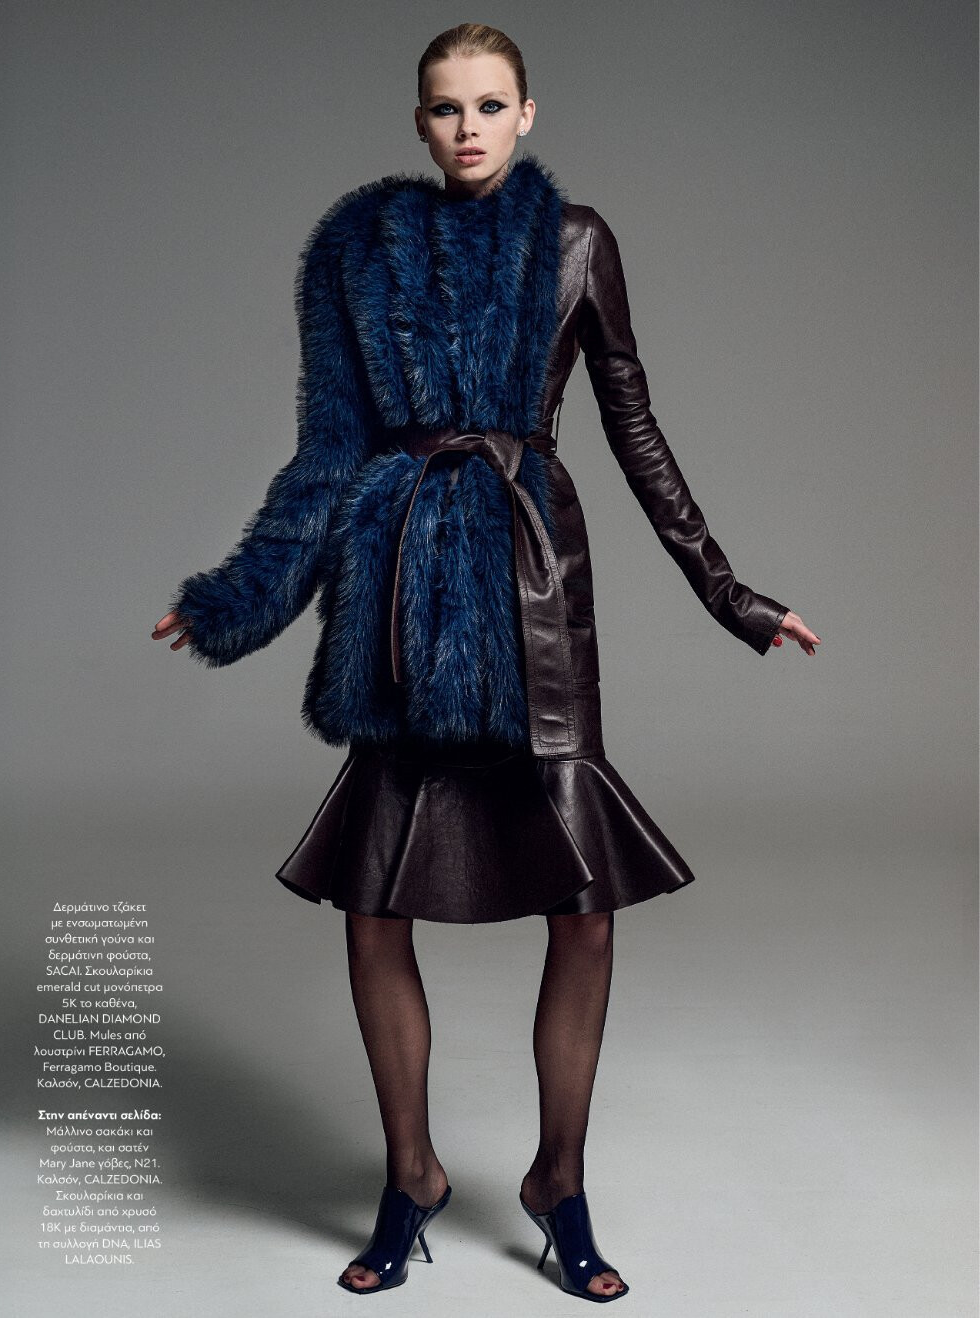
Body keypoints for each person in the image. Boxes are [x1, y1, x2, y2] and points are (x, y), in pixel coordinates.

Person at [153, 22, 820, 1303]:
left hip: (531, 584)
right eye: (445, 107)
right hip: (402, 587)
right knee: (374, 901)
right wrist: (236, 599)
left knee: (584, 906)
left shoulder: (575, 243)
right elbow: (327, 450)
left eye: (489, 104)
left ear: (527, 113)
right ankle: (409, 1174)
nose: (467, 127)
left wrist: (732, 595)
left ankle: (558, 1181)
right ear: (419, 121)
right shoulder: (358, 251)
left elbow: (634, 429)